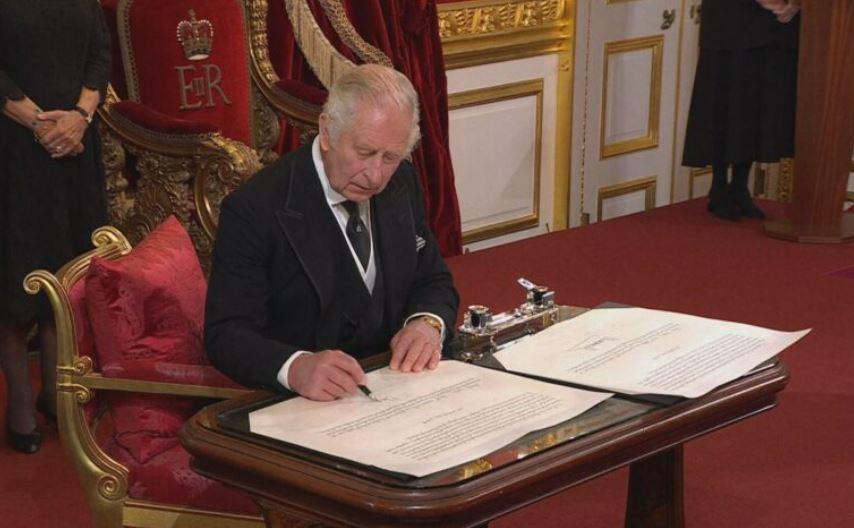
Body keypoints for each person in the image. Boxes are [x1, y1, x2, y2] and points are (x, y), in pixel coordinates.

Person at [205, 64, 459, 401]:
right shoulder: (255, 208)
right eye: (364, 153)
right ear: (326, 131)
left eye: (390, 157)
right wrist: (295, 367)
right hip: (304, 403)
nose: (375, 175)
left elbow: (433, 280)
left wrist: (427, 323)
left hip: (398, 387)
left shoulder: (402, 182)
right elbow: (226, 334)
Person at [0, 0, 110, 453]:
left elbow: (100, 56)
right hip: (12, 152)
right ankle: (20, 404)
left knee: (67, 271)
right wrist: (42, 125)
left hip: (75, 151)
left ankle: (56, 394)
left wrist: (79, 118)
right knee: (13, 274)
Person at [682, 0, 800, 220]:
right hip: (730, 19)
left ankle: (739, 185)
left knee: (756, 105)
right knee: (724, 102)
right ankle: (718, 186)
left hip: (772, 26)